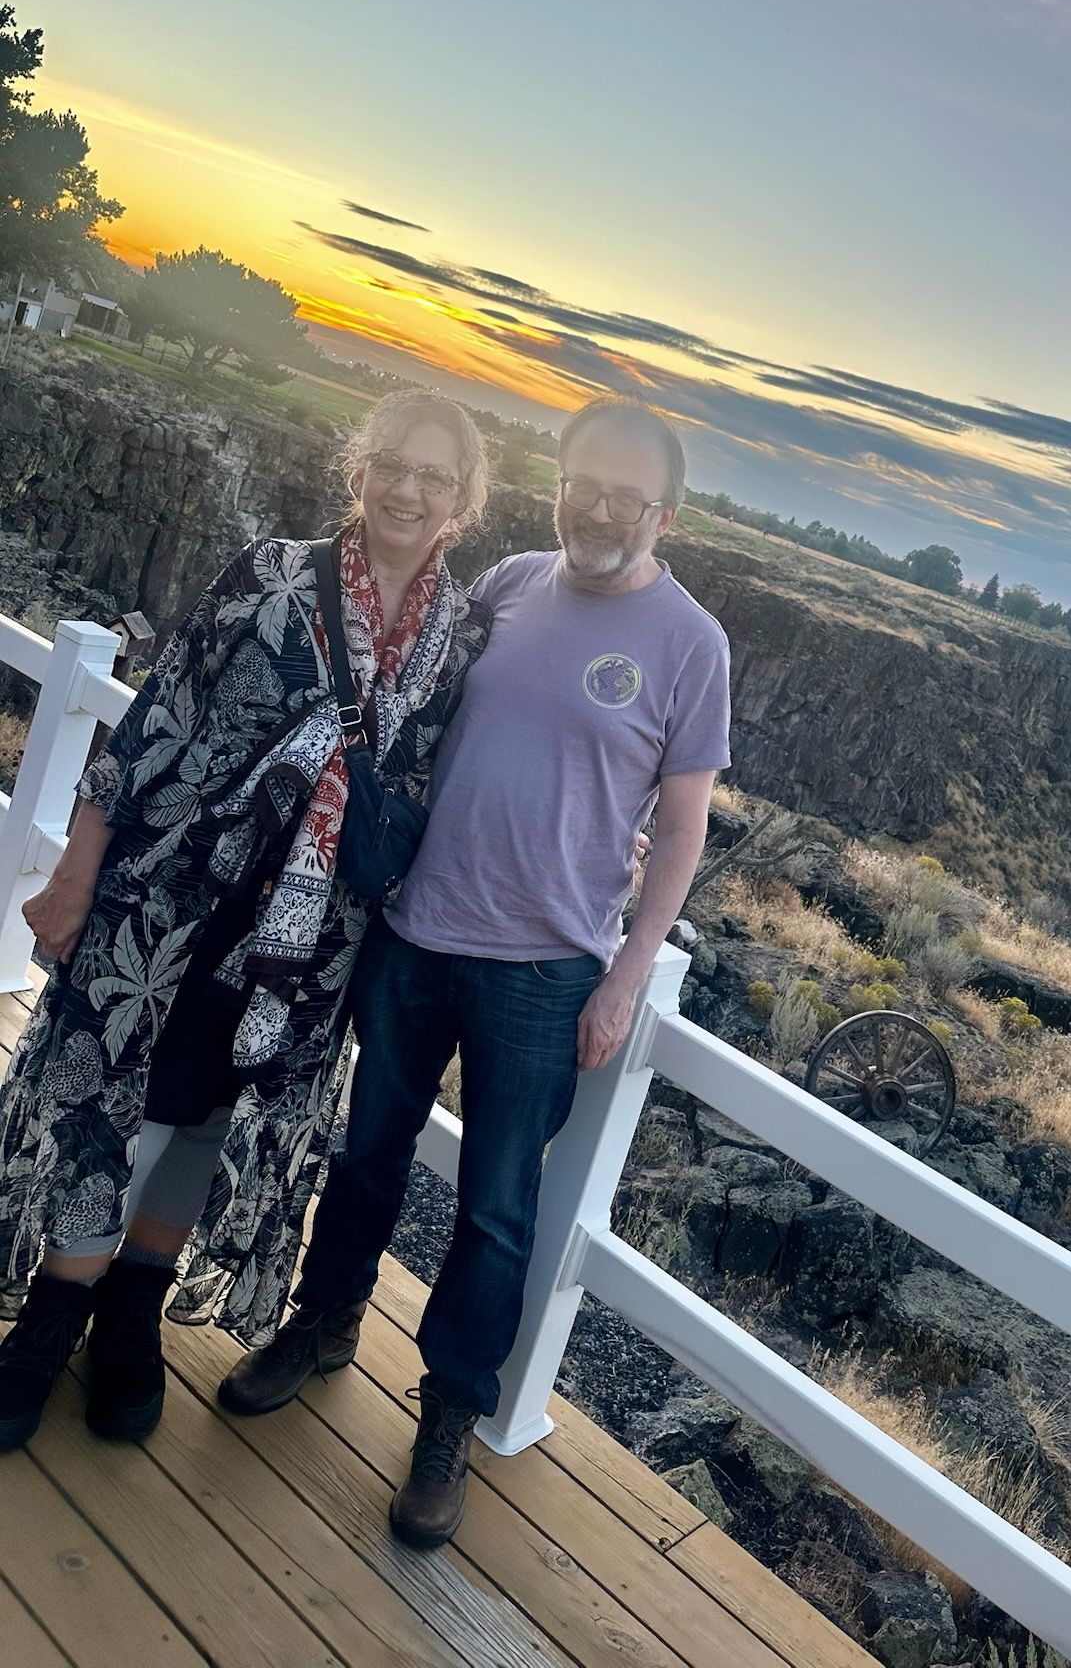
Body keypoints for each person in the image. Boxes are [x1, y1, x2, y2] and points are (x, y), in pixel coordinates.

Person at [221, 395, 731, 1550]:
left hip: (545, 971)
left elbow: (683, 825)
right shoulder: (505, 585)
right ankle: (323, 1321)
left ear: (666, 514)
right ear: (557, 483)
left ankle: (450, 1412)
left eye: (627, 495)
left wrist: (628, 971)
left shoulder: (691, 642)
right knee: (367, 1149)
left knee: (497, 1208)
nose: (598, 508)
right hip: (415, 929)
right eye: (582, 482)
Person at [0, 389, 493, 1451]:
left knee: (216, 1112)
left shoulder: (461, 643)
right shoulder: (269, 574)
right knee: (107, 1092)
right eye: (393, 463)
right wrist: (77, 873)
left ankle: (133, 1306)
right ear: (358, 469)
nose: (408, 489)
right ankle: (53, 1314)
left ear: (462, 501)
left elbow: (454, 787)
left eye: (435, 476)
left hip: (312, 940)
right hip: (170, 895)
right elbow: (154, 721)